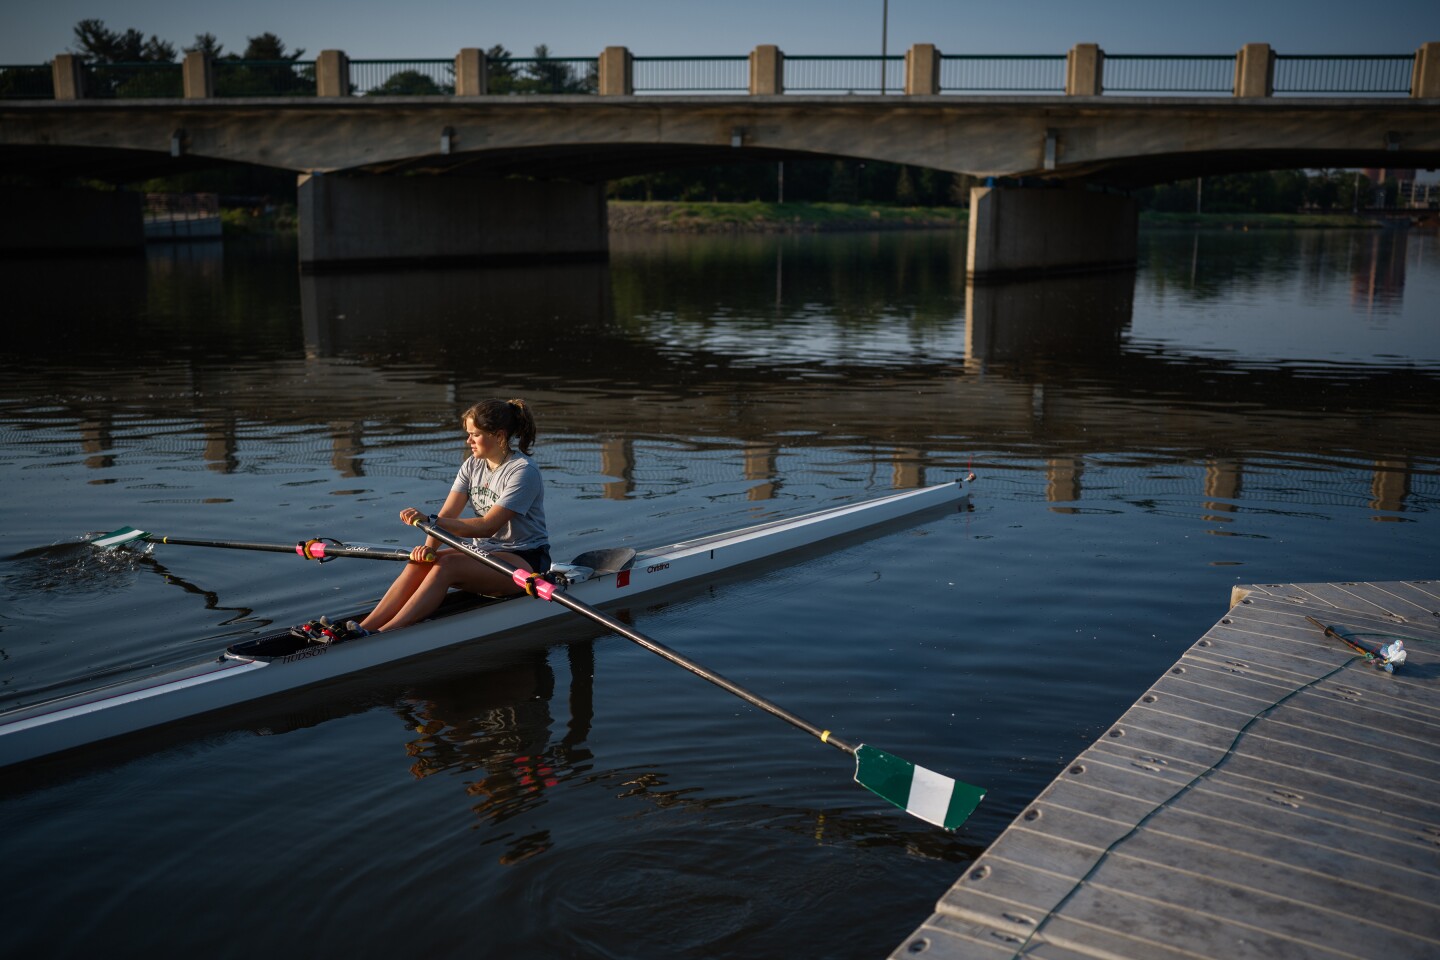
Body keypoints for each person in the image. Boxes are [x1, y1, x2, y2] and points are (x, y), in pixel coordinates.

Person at [294, 398, 549, 642]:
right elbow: (447, 515)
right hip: (486, 553)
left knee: (446, 566)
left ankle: (383, 635)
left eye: (475, 434)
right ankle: (364, 628)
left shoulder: (523, 472)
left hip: (524, 560)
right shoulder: (473, 465)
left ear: (499, 435)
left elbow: (487, 526)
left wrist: (429, 520)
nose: (468, 440)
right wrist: (428, 550)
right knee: (421, 562)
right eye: (468, 434)